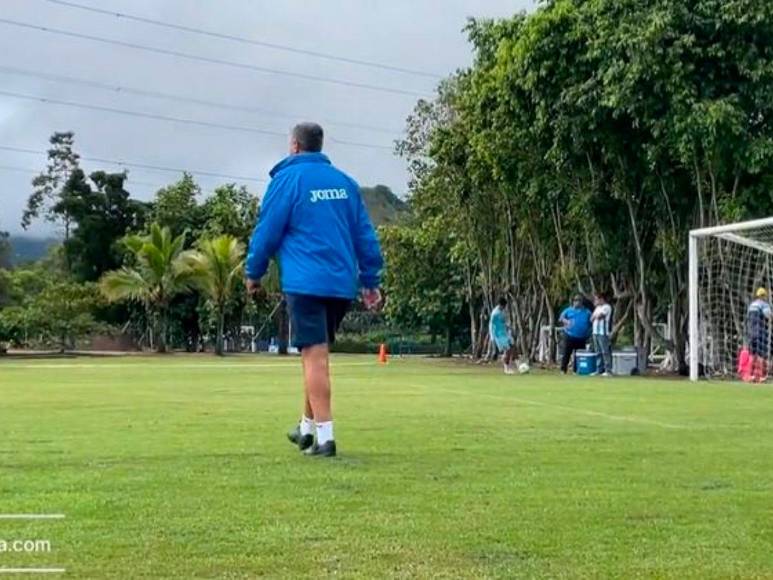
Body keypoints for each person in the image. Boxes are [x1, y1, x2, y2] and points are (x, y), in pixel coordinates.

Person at [245, 122, 384, 458]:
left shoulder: (287, 181)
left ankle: (326, 438)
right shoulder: (345, 184)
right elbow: (365, 236)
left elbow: (267, 231)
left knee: (315, 358)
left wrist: (254, 272)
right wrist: (370, 280)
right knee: (315, 357)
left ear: (294, 146)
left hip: (305, 283)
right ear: (319, 146)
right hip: (339, 285)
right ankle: (306, 428)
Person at [559, 294, 592, 374]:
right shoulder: (568, 310)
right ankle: (563, 370)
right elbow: (561, 318)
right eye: (575, 300)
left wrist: (588, 333)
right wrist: (566, 321)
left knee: (579, 355)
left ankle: (576, 370)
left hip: (581, 337)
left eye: (578, 300)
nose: (576, 302)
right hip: (569, 335)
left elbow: (591, 321)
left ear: (582, 302)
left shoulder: (587, 312)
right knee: (566, 353)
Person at [746, 287, 771, 383]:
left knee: (752, 355)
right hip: (760, 332)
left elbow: (748, 318)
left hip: (751, 332)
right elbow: (768, 315)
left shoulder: (751, 305)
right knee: (760, 355)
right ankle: (760, 377)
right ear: (764, 296)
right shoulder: (764, 305)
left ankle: (750, 376)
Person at [489, 297, 516, 375]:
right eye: (503, 306)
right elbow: (491, 325)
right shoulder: (495, 313)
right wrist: (492, 337)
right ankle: (506, 369)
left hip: (505, 333)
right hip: (498, 335)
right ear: (500, 305)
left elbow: (504, 322)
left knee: (513, 346)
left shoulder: (503, 311)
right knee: (507, 350)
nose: (504, 308)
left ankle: (512, 363)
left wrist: (508, 327)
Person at [590, 293, 613, 377]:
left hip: (603, 332)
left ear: (601, 299)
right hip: (595, 332)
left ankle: (608, 370)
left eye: (596, 299)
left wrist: (595, 316)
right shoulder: (597, 308)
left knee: (605, 351)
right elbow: (591, 319)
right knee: (598, 351)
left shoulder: (607, 307)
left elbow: (600, 316)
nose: (595, 301)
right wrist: (595, 316)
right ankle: (599, 369)